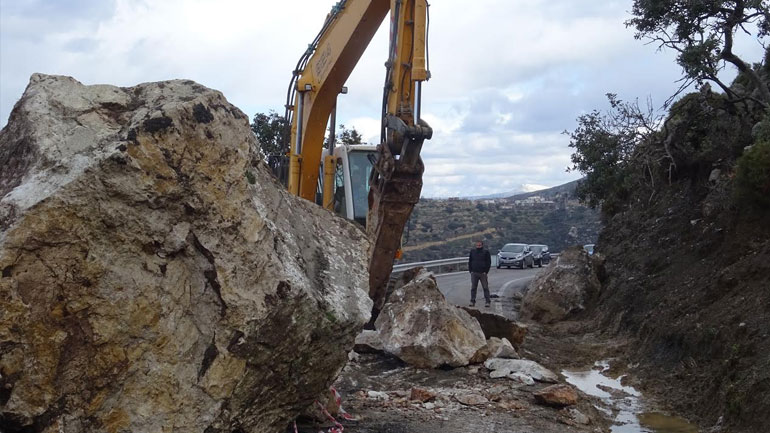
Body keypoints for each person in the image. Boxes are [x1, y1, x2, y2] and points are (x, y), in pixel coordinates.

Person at [468, 240, 491, 307]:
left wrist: (486, 272)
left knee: (485, 287)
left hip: (482, 273)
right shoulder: (473, 251)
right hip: (474, 272)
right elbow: (470, 261)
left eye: (479, 245)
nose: (478, 246)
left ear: (482, 245)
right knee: (473, 288)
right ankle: (472, 301)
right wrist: (470, 271)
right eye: (477, 245)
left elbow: (488, 262)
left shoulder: (486, 252)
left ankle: (487, 301)